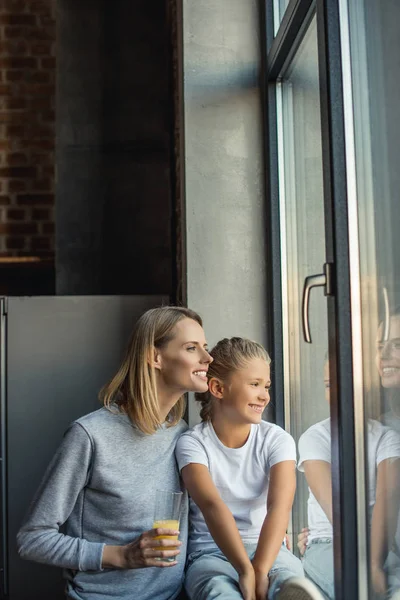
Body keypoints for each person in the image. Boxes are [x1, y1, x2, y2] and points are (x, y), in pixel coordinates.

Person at [17, 305, 213, 600]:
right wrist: (120, 555)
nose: (207, 358)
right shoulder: (90, 436)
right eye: (191, 348)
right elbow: (32, 539)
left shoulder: (183, 436)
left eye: (205, 348)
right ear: (154, 357)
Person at [175, 337, 314, 600]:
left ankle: (284, 585)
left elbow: (279, 506)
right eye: (254, 385)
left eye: (266, 386)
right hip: (210, 553)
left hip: (269, 550)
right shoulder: (192, 444)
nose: (264, 395)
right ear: (217, 388)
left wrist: (260, 569)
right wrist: (244, 570)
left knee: (287, 581)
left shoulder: (277, 439)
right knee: (219, 591)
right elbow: (212, 506)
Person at [297, 359, 400, 599]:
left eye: (348, 383)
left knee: (391, 589)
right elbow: (337, 508)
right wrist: (369, 568)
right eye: (328, 385)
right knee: (360, 588)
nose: (337, 392)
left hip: (381, 544)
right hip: (328, 542)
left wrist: (374, 562)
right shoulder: (315, 437)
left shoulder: (386, 437)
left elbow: (388, 496)